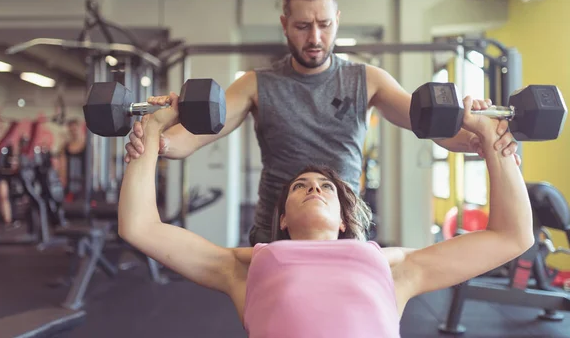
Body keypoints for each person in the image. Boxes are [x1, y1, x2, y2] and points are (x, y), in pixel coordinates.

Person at [124, 0, 521, 245]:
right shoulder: (255, 84)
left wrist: (476, 137)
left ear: (337, 21)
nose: (315, 37)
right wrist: (156, 139)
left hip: (345, 227)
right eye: (302, 26)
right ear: (284, 24)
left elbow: (428, 123)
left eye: (325, 24)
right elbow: (196, 133)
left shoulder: (368, 79)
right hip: (275, 231)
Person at [118, 93, 534, 337]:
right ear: (281, 219)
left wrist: (492, 140)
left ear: (343, 220)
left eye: (326, 188)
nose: (313, 187)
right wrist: (150, 135)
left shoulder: (392, 267)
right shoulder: (247, 267)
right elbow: (140, 227)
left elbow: (510, 238)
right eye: (299, 187)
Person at [58, 119, 86, 200]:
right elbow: (62, 166)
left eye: (75, 129)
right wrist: (62, 179)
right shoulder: (65, 147)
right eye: (71, 130)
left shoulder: (87, 146)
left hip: (84, 183)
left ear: (80, 129)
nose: (73, 132)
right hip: (69, 185)